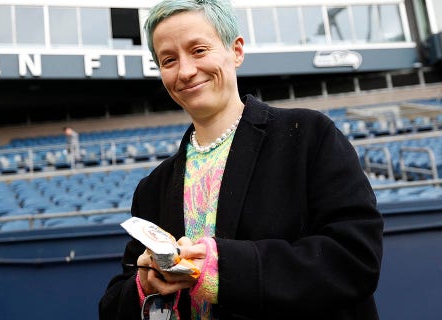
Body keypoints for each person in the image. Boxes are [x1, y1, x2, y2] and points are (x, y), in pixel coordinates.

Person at [98, 0, 383, 319]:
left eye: (199, 50)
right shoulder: (152, 188)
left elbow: (355, 260)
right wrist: (144, 284)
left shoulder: (309, 136)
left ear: (236, 51)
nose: (186, 71)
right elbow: (112, 306)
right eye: (168, 60)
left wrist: (224, 268)